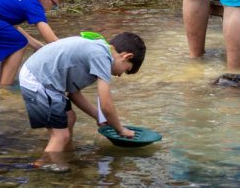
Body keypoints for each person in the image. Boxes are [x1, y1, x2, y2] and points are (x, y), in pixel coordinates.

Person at [18, 31, 145, 169]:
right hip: (38, 80)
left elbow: (73, 93)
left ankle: (65, 156)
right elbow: (106, 105)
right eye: (126, 69)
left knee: (69, 117)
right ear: (126, 56)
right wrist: (121, 130)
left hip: (43, 77)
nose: (120, 75)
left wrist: (97, 116)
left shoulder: (98, 49)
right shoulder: (102, 56)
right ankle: (38, 167)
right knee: (61, 135)